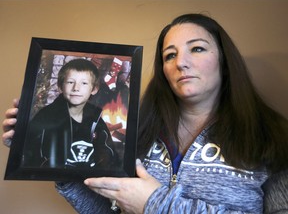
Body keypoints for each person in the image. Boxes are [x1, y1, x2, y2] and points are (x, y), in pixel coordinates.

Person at [3, 13, 288, 213]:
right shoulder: (135, 130)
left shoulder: (274, 137)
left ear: (224, 61)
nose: (182, 63)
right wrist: (56, 168)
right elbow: (110, 210)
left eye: (197, 48)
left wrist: (156, 204)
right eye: (170, 55)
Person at [22, 58, 119, 169]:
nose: (76, 88)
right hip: (59, 176)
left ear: (94, 89)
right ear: (60, 87)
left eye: (84, 83)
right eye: (70, 82)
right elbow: (32, 151)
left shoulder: (96, 119)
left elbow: (108, 151)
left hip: (89, 179)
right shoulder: (46, 116)